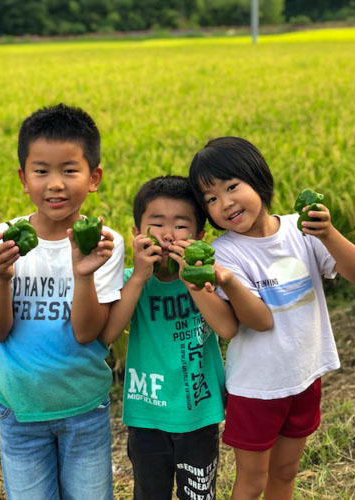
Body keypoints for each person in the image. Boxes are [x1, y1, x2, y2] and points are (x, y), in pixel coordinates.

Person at [188, 136, 355, 500]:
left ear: (258, 178)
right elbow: (258, 320)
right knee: (252, 482)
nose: (226, 203)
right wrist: (227, 281)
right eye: (212, 199)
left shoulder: (303, 230)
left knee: (286, 472)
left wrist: (328, 233)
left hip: (303, 375)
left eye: (232, 186)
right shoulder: (223, 255)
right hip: (257, 388)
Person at [0, 103, 124, 500]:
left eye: (69, 170)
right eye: (41, 171)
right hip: (19, 411)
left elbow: (86, 333)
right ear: (23, 179)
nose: (55, 184)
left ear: (93, 178)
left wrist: (83, 273)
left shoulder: (103, 244)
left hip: (84, 409)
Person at [101, 175, 240, 500]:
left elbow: (227, 329)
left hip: (198, 412)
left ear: (201, 237)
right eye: (157, 224)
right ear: (136, 233)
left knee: (198, 494)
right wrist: (138, 276)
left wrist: (192, 277)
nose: (167, 234)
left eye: (180, 226)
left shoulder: (206, 282)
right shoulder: (131, 281)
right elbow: (108, 333)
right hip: (146, 413)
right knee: (150, 493)